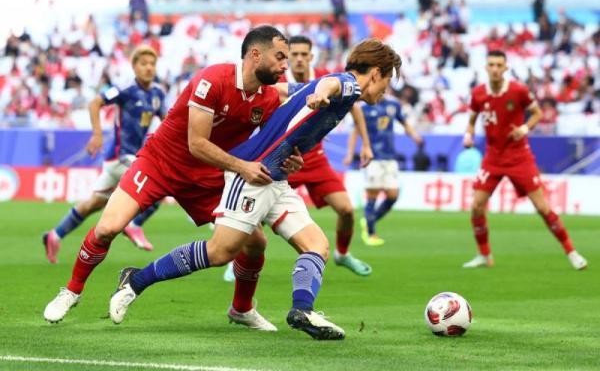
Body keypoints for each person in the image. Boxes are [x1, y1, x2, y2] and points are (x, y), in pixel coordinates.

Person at [108, 38, 402, 340]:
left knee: (317, 245)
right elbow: (330, 86)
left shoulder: (334, 89)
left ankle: (303, 310)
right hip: (252, 175)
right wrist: (318, 95)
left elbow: (282, 92)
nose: (385, 89)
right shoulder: (347, 84)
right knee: (220, 251)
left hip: (276, 179)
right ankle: (136, 280)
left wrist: (293, 142)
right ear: (377, 73)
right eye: (388, 80)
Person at [43, 26, 302, 329]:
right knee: (107, 228)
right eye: (280, 57)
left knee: (255, 242)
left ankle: (241, 309)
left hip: (208, 177)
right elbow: (197, 144)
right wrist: (242, 167)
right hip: (160, 162)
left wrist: (290, 157)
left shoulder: (268, 99)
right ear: (255, 55)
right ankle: (72, 291)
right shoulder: (213, 80)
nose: (285, 65)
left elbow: (273, 141)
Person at [225, 35, 374, 279]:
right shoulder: (277, 78)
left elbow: (354, 104)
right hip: (282, 158)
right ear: (287, 56)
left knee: (346, 209)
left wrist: (365, 145)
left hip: (314, 158)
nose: (299, 59)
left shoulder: (327, 75)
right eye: (294, 54)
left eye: (304, 54)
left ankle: (343, 254)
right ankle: (236, 257)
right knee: (255, 217)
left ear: (311, 57)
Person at [462, 50, 587, 270]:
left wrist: (523, 128)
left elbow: (537, 113)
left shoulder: (518, 90)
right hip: (493, 157)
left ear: (506, 68)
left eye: (499, 65)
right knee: (477, 206)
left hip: (519, 156)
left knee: (542, 206)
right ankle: (484, 255)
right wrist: (468, 134)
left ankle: (571, 251)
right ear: (485, 67)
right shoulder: (478, 93)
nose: (494, 69)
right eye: (491, 65)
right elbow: (472, 119)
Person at [42, 45, 166, 263]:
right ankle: (134, 225)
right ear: (134, 66)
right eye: (143, 63)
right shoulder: (124, 88)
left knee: (94, 203)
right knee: (161, 182)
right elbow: (95, 102)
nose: (148, 68)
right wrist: (97, 135)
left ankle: (54, 235)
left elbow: (167, 123)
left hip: (125, 160)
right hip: (121, 156)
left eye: (152, 64)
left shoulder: (157, 94)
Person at [346, 88, 422, 245]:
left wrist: (415, 136)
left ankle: (369, 220)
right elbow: (355, 132)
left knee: (393, 195)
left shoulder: (393, 105)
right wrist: (350, 153)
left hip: (389, 156)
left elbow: (404, 122)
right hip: (372, 157)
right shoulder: (364, 107)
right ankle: (370, 234)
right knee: (372, 194)